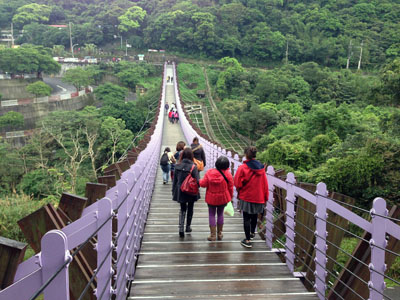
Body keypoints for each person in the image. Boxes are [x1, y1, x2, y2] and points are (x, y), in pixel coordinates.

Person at [234, 146, 269, 248]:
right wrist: (265, 196)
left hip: (246, 196)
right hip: (259, 197)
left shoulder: (242, 168)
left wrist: (239, 191)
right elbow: (265, 184)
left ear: (246, 155)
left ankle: (247, 240)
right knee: (254, 216)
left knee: (246, 218)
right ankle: (253, 233)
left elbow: (237, 183)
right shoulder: (262, 168)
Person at [200, 156, 233, 241]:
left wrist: (198, 181)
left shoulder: (209, 172)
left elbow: (203, 184)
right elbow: (230, 187)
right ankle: (219, 234)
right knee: (220, 214)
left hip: (211, 198)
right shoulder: (228, 174)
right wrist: (230, 197)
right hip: (223, 198)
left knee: (211, 214)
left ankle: (213, 235)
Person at [172, 147, 200, 238]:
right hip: (191, 191)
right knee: (190, 208)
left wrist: (174, 192)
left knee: (182, 208)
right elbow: (197, 180)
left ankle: (181, 228)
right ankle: (188, 227)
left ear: (182, 155)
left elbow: (175, 181)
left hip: (181, 190)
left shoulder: (177, 166)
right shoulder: (193, 166)